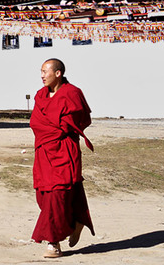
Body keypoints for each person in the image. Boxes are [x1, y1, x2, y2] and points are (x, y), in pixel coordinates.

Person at [30, 58, 94, 258]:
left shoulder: (72, 93)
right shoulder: (40, 95)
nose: (42, 75)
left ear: (57, 73)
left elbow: (82, 119)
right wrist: (54, 128)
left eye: (45, 71)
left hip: (64, 151)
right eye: (40, 71)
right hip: (44, 152)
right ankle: (77, 219)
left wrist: (60, 129)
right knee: (44, 196)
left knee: (57, 196)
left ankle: (53, 243)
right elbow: (35, 122)